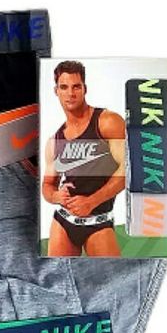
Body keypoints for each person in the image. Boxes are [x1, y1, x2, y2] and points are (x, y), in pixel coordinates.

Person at [42, 61, 126, 256]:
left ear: (84, 89)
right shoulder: (55, 141)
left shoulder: (107, 122)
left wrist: (91, 202)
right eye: (64, 87)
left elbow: (128, 169)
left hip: (98, 221)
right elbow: (47, 185)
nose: (70, 93)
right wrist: (55, 196)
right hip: (63, 222)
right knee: (58, 274)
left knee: (111, 273)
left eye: (76, 87)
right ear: (56, 91)